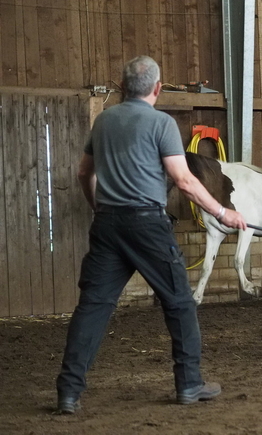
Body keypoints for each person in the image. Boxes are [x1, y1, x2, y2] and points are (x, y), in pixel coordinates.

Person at [56, 55, 247, 414]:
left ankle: (68, 391)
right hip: (147, 224)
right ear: (157, 88)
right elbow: (185, 181)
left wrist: (99, 207)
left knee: (93, 307)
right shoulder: (162, 123)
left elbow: (84, 173)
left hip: (108, 224)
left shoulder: (104, 121)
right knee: (179, 303)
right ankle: (189, 384)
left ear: (124, 86)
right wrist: (224, 212)